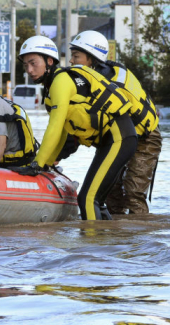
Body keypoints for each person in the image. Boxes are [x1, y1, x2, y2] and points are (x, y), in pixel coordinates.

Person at [15, 35, 137, 221]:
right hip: (113, 140)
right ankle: (110, 242)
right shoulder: (52, 87)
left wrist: (37, 165)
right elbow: (64, 132)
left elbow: (54, 127)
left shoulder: (61, 81)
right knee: (97, 201)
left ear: (49, 61)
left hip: (119, 137)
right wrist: (48, 162)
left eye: (33, 63)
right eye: (26, 66)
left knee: (87, 199)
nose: (30, 70)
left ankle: (91, 248)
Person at [69, 30, 162, 215]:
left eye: (75, 56)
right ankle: (115, 239)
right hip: (120, 138)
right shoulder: (94, 80)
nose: (71, 61)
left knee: (134, 192)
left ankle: (139, 240)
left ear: (91, 59)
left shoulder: (110, 86)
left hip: (146, 138)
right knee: (110, 192)